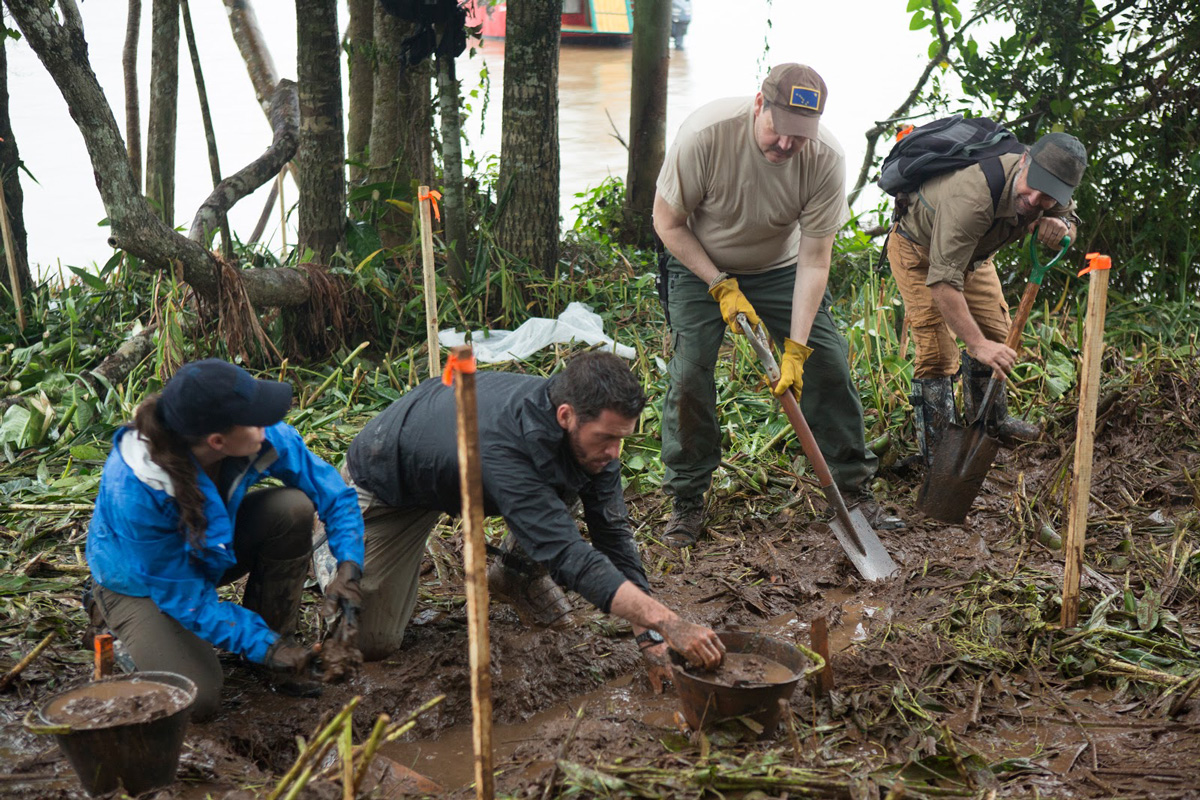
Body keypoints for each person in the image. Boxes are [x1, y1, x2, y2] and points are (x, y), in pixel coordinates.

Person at [343, 351, 725, 686]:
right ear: (566, 415)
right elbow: (567, 554)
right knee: (370, 642)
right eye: (606, 438)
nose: (614, 452)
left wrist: (650, 637)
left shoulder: (592, 432)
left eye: (621, 438)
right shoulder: (505, 449)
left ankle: (515, 576)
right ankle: (327, 536)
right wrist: (668, 622)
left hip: (460, 466)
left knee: (574, 470)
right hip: (388, 481)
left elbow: (612, 533)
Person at [652, 62, 900, 547]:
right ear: (758, 105)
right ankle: (686, 498)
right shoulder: (706, 135)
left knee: (828, 363)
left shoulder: (826, 158)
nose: (787, 144)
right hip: (698, 263)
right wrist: (720, 284)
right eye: (779, 128)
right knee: (690, 373)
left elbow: (815, 259)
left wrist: (797, 349)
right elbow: (667, 223)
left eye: (800, 135)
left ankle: (852, 490)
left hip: (781, 268)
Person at [85, 359, 365, 720]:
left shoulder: (256, 436)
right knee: (198, 700)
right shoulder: (135, 490)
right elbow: (186, 600)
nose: (268, 423)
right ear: (217, 441)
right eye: (255, 418)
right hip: (141, 583)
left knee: (292, 508)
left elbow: (333, 493)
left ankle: (276, 650)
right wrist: (265, 646)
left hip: (209, 552)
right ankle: (112, 619)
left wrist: (349, 566)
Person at [886, 131, 1086, 464]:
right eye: (1033, 185)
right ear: (1024, 160)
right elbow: (943, 281)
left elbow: (1071, 223)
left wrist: (1062, 227)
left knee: (997, 334)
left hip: (974, 257)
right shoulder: (973, 196)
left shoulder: (1052, 186)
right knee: (938, 351)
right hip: (919, 252)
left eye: (1048, 197)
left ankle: (989, 424)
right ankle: (937, 452)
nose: (1035, 200)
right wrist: (976, 344)